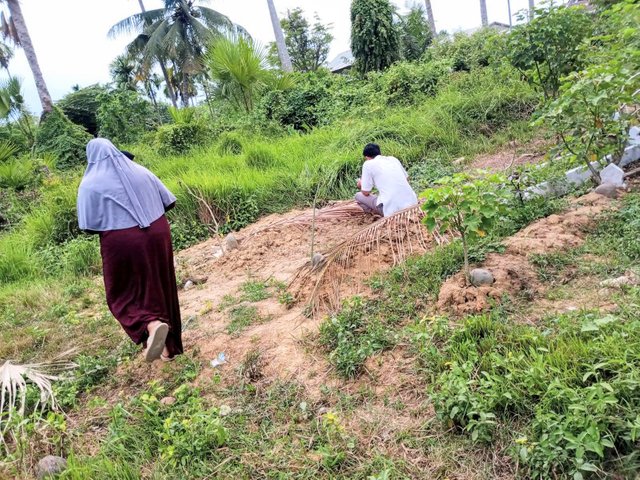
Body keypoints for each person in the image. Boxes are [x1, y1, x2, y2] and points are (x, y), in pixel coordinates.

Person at [77, 138, 183, 362]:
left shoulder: (90, 183)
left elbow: (87, 225)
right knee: (159, 283)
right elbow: (168, 201)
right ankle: (168, 348)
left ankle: (152, 325)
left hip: (122, 239)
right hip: (158, 231)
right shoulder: (141, 171)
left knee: (121, 293)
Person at [355, 143, 418, 217]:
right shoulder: (393, 159)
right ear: (379, 152)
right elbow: (406, 179)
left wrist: (360, 184)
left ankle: (375, 214)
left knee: (358, 196)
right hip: (413, 203)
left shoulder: (368, 164)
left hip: (392, 209)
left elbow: (365, 192)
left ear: (367, 157)